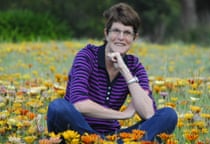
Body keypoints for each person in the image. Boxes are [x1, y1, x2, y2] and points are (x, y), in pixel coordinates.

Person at [47, 2, 178, 143]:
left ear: (134, 38)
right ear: (106, 33)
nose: (121, 37)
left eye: (127, 33)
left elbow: (148, 113)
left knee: (168, 115)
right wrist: (123, 115)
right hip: (79, 131)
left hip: (115, 136)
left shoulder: (134, 66)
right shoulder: (87, 56)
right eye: (116, 31)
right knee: (58, 107)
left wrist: (124, 70)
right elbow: (80, 104)